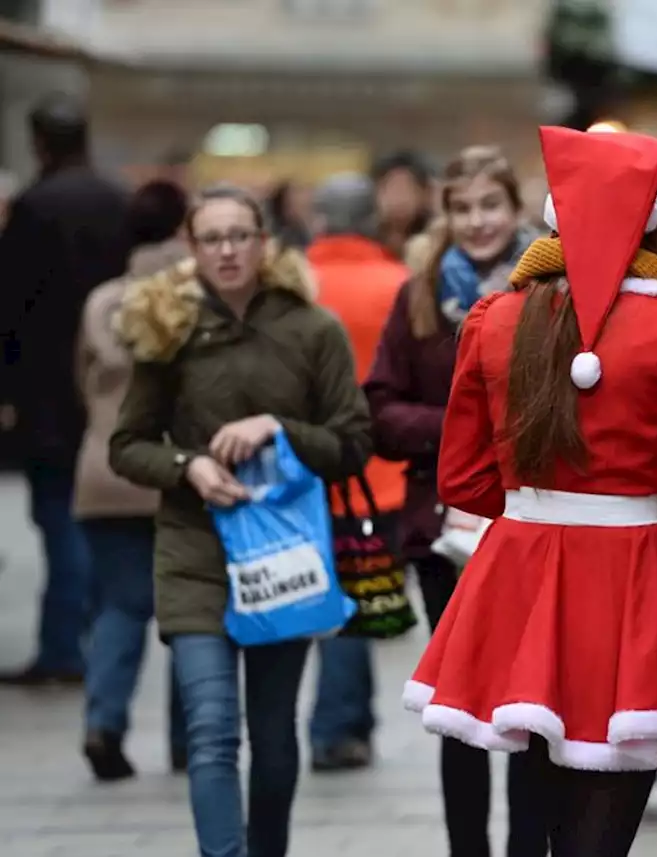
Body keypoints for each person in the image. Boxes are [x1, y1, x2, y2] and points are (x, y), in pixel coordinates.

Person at [403, 126, 657, 856]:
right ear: (652, 230)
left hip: (519, 563)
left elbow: (462, 480)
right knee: (608, 808)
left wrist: (535, 500)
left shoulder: (492, 322)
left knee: (535, 786)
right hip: (628, 573)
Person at [109, 185, 372, 857]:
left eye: (239, 235)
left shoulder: (313, 328)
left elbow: (351, 443)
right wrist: (188, 465)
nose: (227, 250)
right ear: (191, 248)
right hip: (194, 552)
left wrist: (277, 429)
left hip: (281, 552)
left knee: (274, 732)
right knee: (212, 728)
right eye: (212, 238)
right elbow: (128, 444)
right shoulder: (168, 328)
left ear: (264, 243)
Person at [365, 145, 540, 857]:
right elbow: (379, 405)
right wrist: (462, 426)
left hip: (534, 525)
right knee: (460, 709)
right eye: (462, 208)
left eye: (489, 206)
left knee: (533, 704)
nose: (476, 221)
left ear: (515, 208)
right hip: (443, 527)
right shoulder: (420, 294)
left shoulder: (550, 289)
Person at [0, 93, 131, 686]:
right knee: (99, 521)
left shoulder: (33, 206)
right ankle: (95, 635)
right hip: (110, 382)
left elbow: (11, 305)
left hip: (46, 390)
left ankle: (63, 647)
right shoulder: (114, 201)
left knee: (60, 518)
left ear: (40, 142)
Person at [76, 179, 191, 781]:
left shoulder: (102, 302)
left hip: (103, 471)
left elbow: (82, 382)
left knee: (119, 607)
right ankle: (186, 738)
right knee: (186, 611)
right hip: (177, 471)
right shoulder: (194, 297)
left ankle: (103, 722)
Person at [304, 173, 410, 772]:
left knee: (338, 597)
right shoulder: (398, 285)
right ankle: (339, 727)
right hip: (381, 474)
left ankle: (348, 719)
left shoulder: (294, 286)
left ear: (320, 218)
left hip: (307, 468)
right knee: (360, 596)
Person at [373, 150, 433, 263]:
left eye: (406, 188)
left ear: (424, 193)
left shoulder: (435, 240)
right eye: (389, 188)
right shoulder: (364, 237)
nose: (398, 198)